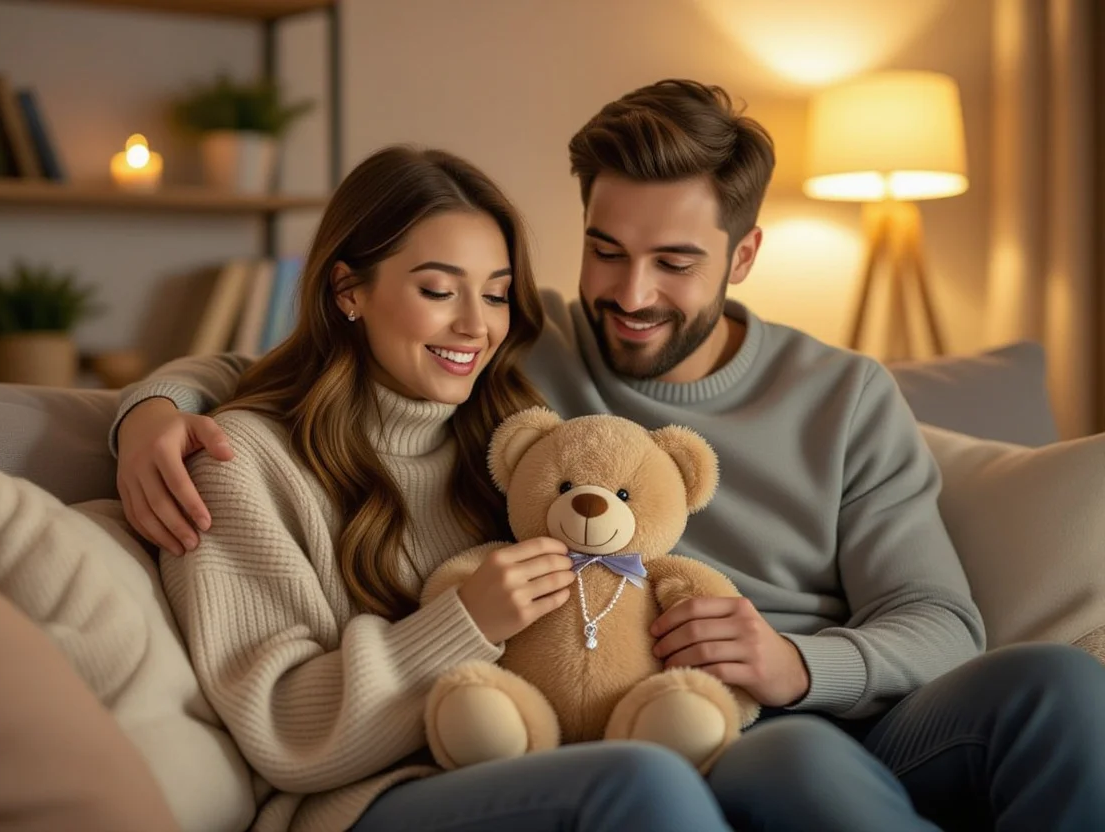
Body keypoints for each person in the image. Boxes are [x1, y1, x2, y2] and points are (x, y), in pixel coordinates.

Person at [113, 83, 1105, 831]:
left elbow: (941, 621)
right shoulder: (522, 347)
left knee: (1061, 685)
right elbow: (306, 369)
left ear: (744, 256)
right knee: (792, 763)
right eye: (606, 250)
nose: (630, 295)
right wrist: (150, 410)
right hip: (688, 726)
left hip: (825, 691)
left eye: (674, 263)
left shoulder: (844, 394)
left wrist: (797, 662)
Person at [124, 144, 734, 832]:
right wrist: (466, 622)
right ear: (348, 291)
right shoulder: (240, 463)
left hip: (525, 761)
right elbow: (282, 728)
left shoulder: (507, 443)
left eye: (496, 294)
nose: (476, 326)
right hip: (357, 803)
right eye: (439, 291)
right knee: (643, 781)